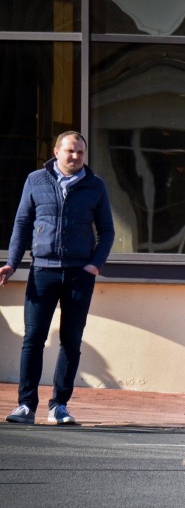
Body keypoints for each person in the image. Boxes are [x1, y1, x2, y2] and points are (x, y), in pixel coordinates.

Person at [1, 131, 115, 426]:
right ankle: (26, 406)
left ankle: (59, 406)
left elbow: (107, 231)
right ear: (56, 151)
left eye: (80, 152)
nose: (75, 156)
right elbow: (22, 224)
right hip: (43, 271)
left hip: (80, 274)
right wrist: (12, 263)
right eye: (70, 151)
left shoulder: (95, 186)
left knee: (71, 340)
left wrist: (95, 265)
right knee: (33, 339)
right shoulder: (35, 181)